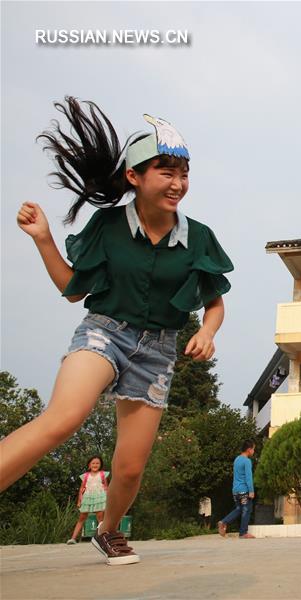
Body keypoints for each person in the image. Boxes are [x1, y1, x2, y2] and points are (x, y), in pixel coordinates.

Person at [2, 98, 232, 566]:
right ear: (134, 176)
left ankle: (107, 531)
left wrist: (208, 332)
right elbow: (72, 290)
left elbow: (215, 304)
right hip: (104, 333)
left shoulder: (199, 236)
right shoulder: (107, 225)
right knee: (63, 419)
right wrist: (44, 239)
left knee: (129, 466)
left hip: (159, 350)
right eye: (165, 172)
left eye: (183, 173)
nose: (178, 183)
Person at [218, 440, 256, 539]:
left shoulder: (237, 459)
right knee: (246, 510)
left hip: (235, 490)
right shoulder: (247, 461)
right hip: (244, 490)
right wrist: (251, 491)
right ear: (249, 450)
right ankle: (243, 533)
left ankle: (223, 522)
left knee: (239, 509)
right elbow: (248, 477)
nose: (253, 451)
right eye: (253, 449)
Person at [67, 456, 109, 544]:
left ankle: (104, 539)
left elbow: (106, 487)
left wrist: (107, 499)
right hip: (87, 498)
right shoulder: (85, 476)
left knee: (100, 519)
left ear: (100, 465)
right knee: (81, 518)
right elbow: (81, 489)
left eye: (97, 463)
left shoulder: (102, 474)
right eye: (93, 463)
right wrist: (79, 501)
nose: (95, 465)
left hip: (99, 498)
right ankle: (73, 538)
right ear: (89, 465)